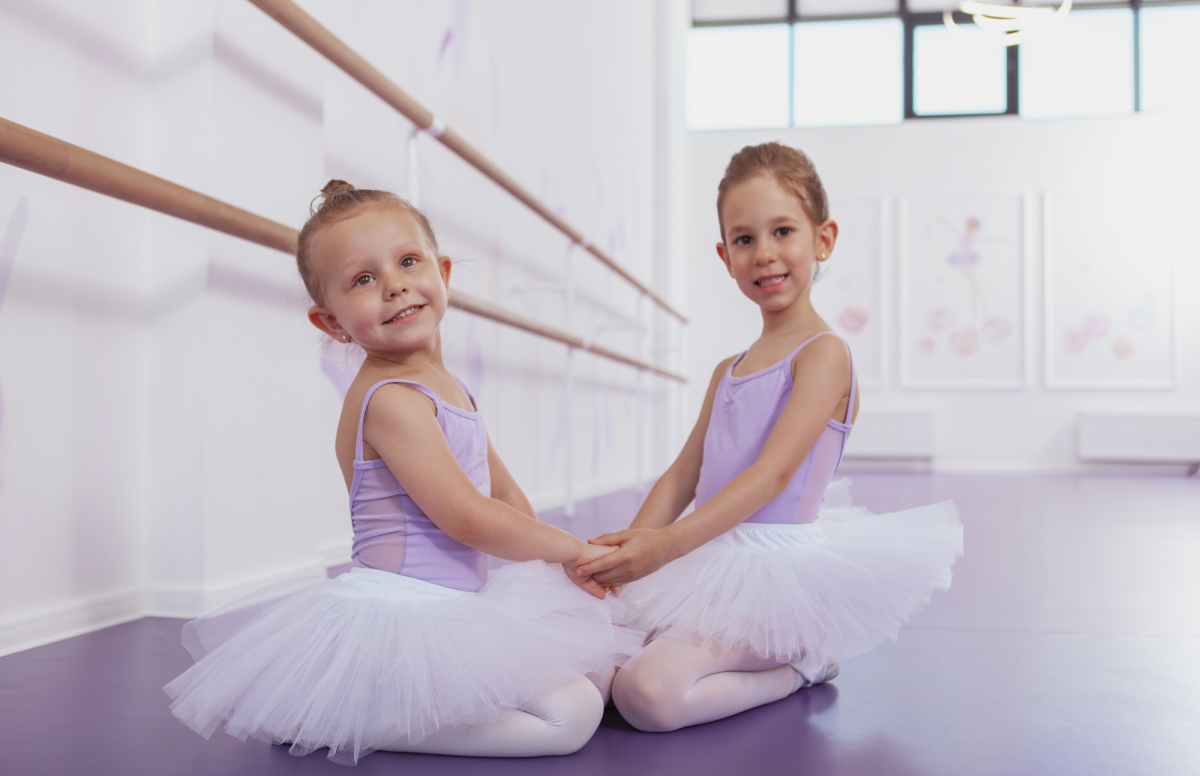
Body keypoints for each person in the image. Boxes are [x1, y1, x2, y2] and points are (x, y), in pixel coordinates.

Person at [164, 181, 643, 764]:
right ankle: (336, 712)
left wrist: (557, 570)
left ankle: (361, 707)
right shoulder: (391, 398)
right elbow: (466, 516)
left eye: (408, 261)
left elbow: (503, 490)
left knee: (589, 676)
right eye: (363, 280)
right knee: (569, 719)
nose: (393, 284)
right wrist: (570, 549)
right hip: (402, 616)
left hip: (460, 605)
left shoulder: (447, 386)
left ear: (442, 273)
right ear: (332, 322)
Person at [576, 143, 964, 732]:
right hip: (706, 561)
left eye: (783, 231)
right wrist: (629, 551)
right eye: (744, 239)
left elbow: (772, 475)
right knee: (593, 671)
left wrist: (667, 547)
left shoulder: (825, 354)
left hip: (778, 582)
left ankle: (801, 667)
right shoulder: (727, 369)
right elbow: (684, 474)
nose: (764, 254)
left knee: (647, 695)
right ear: (724, 255)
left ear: (823, 239)